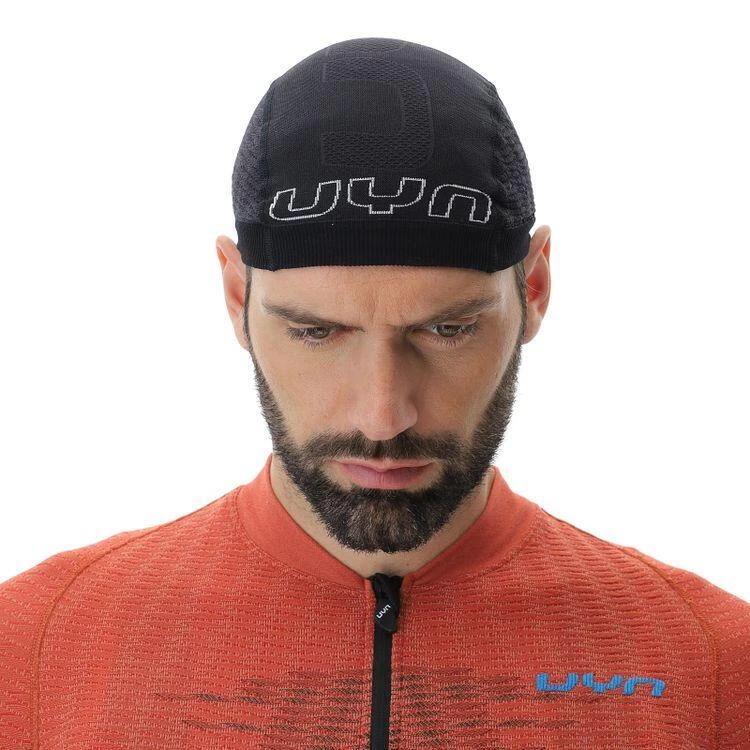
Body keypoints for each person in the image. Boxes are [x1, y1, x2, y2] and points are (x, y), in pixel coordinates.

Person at [1, 36, 748, 750]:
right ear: (236, 297)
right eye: (316, 332)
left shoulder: (713, 663)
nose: (384, 415)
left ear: (536, 289)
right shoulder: (34, 646)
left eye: (448, 329)